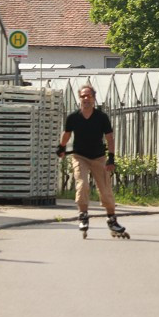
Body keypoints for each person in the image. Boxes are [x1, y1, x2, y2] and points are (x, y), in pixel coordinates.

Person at [57, 85, 129, 239]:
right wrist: (61, 147)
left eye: (88, 96)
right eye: (83, 96)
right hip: (79, 156)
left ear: (94, 98)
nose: (85, 99)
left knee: (105, 189)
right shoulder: (73, 117)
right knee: (82, 184)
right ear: (80, 98)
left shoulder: (101, 117)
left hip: (98, 157)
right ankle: (83, 215)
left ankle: (112, 219)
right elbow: (67, 134)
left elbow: (109, 138)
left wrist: (111, 157)